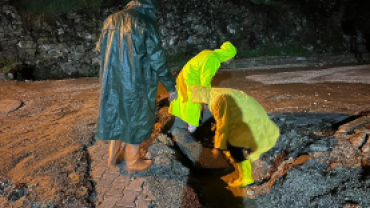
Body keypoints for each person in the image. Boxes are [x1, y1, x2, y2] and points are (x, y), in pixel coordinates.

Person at [95, 0, 178, 171]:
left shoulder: (111, 19)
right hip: (138, 83)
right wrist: (170, 86)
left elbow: (99, 49)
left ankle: (113, 156)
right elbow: (157, 60)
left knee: (118, 116)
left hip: (113, 82)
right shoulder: (145, 23)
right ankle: (132, 162)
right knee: (138, 120)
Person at [190, 86, 280, 188]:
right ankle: (243, 170)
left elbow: (223, 124)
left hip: (250, 120)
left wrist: (217, 147)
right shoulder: (214, 93)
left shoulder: (218, 100)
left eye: (198, 101)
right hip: (252, 114)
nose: (200, 104)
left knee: (233, 145)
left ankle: (247, 178)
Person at [169, 41, 236, 133]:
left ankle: (182, 125)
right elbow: (205, 79)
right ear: (227, 55)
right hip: (191, 80)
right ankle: (191, 131)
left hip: (184, 76)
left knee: (185, 101)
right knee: (194, 104)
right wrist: (206, 97)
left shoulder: (208, 53)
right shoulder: (214, 59)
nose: (228, 63)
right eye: (230, 59)